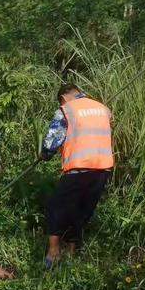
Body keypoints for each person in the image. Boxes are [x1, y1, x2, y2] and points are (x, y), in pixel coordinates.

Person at [40, 84, 114, 269]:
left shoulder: (67, 110)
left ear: (64, 98)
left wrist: (45, 154)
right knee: (80, 211)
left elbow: (52, 139)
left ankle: (53, 253)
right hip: (103, 168)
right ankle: (71, 253)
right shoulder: (103, 109)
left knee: (55, 207)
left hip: (79, 166)